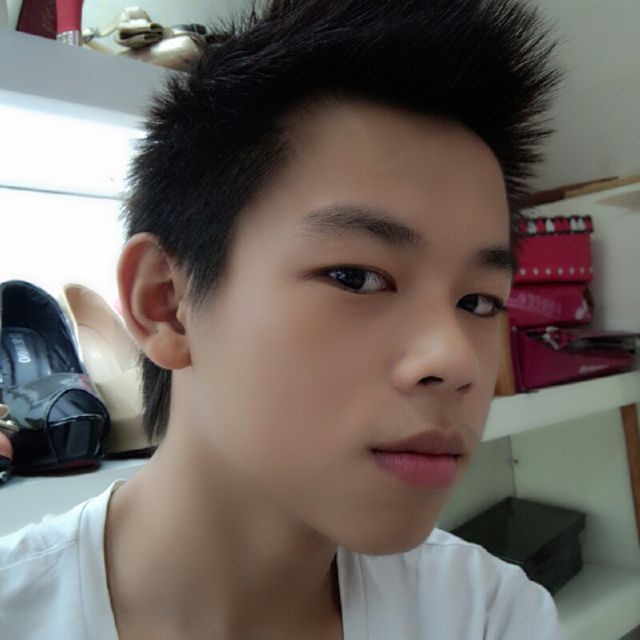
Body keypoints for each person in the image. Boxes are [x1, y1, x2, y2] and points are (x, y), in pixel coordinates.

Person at [0, 0, 565, 637]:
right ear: (166, 305)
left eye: (479, 302)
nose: (457, 361)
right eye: (356, 277)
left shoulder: (487, 613)